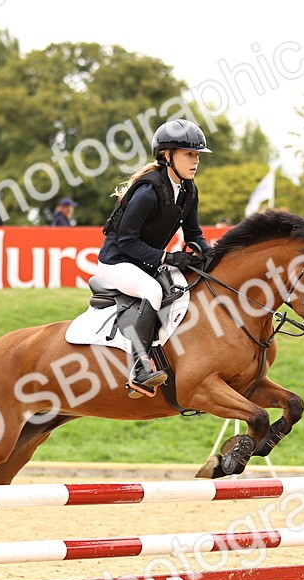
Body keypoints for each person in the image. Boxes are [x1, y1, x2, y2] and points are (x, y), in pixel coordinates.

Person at [97, 118, 212, 398]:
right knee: (152, 290)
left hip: (145, 261)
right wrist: (167, 257)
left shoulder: (188, 190)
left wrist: (206, 253)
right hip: (118, 261)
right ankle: (139, 368)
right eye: (189, 154)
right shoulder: (149, 192)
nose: (195, 161)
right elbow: (126, 241)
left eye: (197, 155)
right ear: (167, 155)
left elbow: (194, 232)